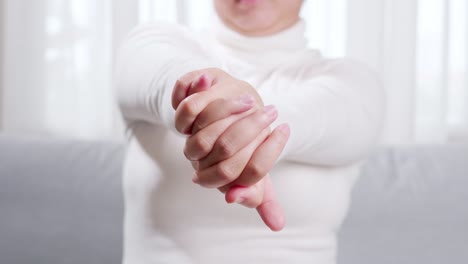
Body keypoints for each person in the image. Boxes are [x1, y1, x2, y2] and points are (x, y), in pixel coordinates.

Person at [115, 0, 384, 263]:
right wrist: (207, 97)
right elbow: (166, 78)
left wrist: (251, 130)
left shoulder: (355, 84)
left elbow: (318, 116)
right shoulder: (152, 44)